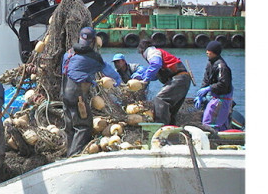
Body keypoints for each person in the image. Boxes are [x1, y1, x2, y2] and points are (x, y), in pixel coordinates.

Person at [61, 27, 122, 157]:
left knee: (70, 125)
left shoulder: (68, 53)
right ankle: (74, 156)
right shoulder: (93, 57)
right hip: (77, 95)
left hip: (65, 93)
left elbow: (70, 71)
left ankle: (67, 153)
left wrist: (91, 80)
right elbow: (108, 70)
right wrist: (117, 79)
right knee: (84, 125)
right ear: (93, 41)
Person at [137, 39, 191, 126]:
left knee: (160, 99)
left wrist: (146, 79)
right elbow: (156, 74)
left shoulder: (151, 52)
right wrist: (142, 77)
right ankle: (172, 134)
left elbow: (155, 64)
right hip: (183, 80)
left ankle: (160, 129)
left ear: (142, 51)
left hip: (178, 79)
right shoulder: (159, 53)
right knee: (171, 110)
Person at [194, 41, 234, 131]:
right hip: (214, 96)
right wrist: (200, 95)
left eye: (209, 51)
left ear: (213, 52)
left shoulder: (222, 66)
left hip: (222, 99)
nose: (207, 53)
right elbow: (206, 80)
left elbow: (223, 84)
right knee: (220, 123)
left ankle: (213, 140)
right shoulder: (210, 64)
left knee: (208, 122)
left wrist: (209, 88)